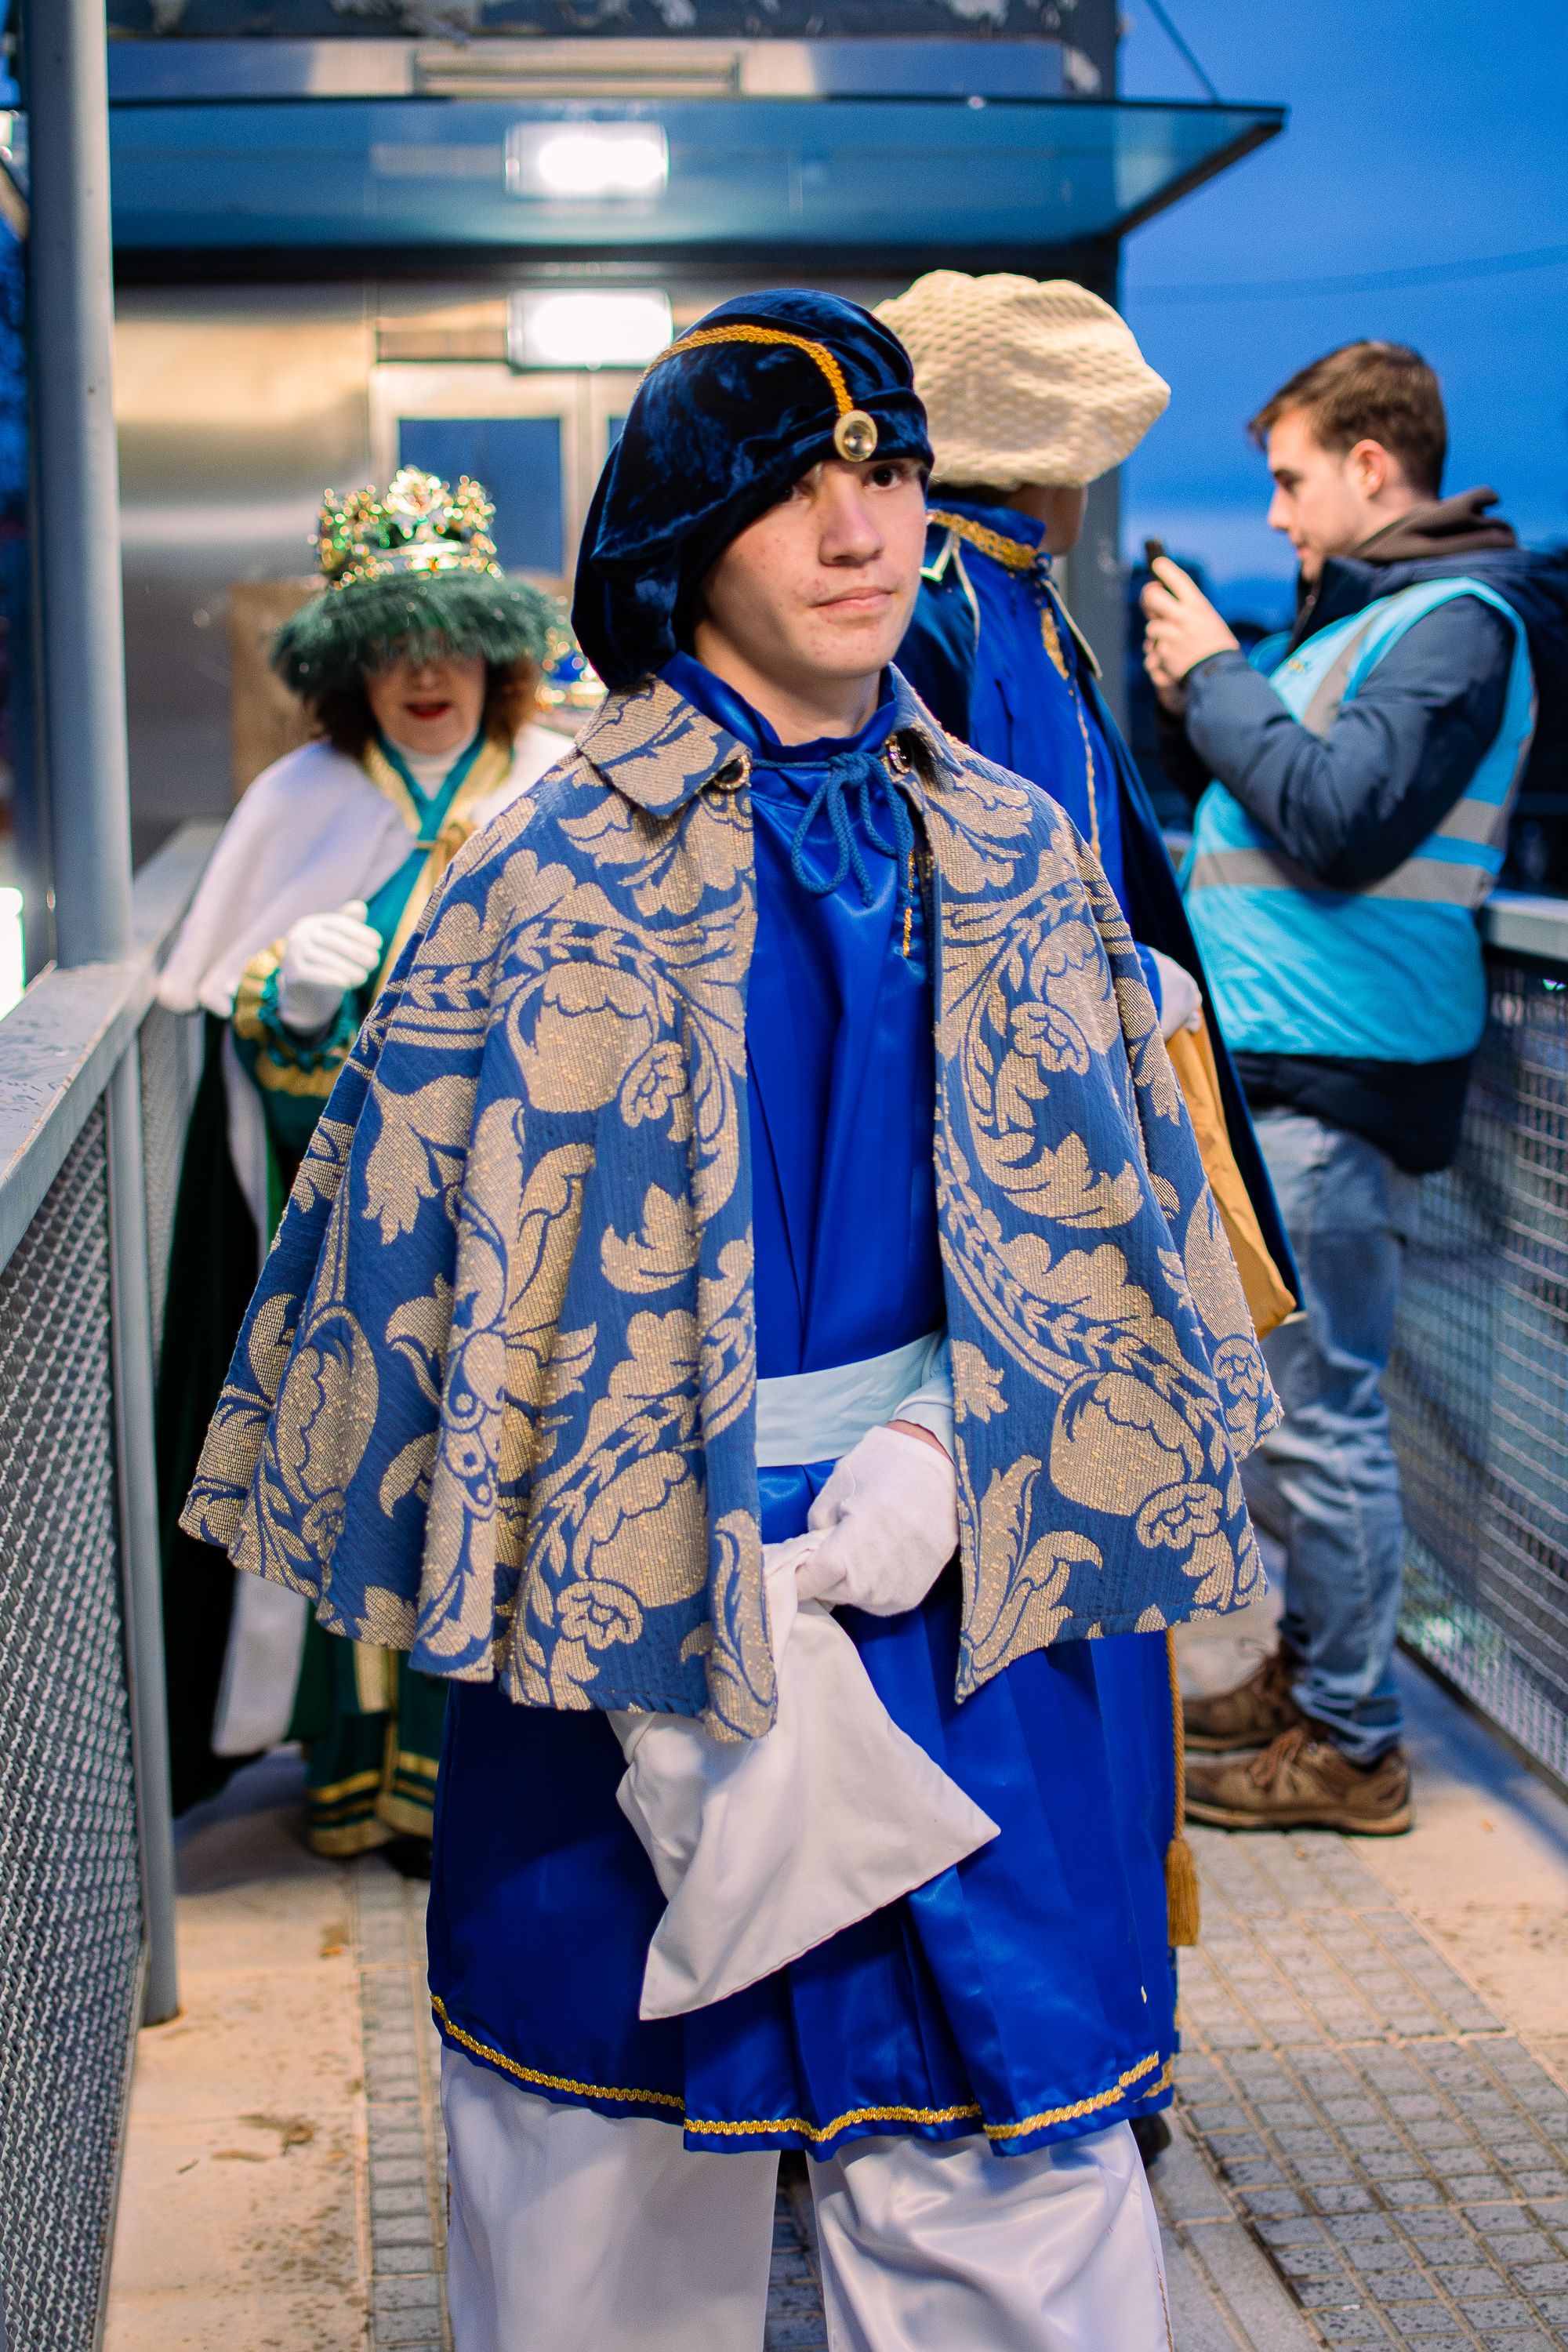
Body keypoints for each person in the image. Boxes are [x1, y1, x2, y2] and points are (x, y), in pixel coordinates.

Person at [183, 288, 1280, 2350]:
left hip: (973, 1618)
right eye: (796, 489)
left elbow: (1128, 1258)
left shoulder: (1025, 858)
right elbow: (432, 1301)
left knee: (1015, 2203)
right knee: (595, 2210)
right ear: (683, 541)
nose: (865, 531)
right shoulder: (534, 878)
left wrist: (963, 1445)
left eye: (889, 475)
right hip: (618, 1651)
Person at [880, 267, 1298, 2162]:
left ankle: (1054, 2027)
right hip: (1048, 1187)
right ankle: (1067, 2030)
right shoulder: (994, 611)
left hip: (1021, 1181)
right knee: (1064, 1622)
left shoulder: (958, 605)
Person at [1142, 339, 1568, 1833]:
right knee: (1286, 1418)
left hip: (1340, 1070)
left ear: (1373, 469)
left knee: (1319, 1423)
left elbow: (1337, 822)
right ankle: (1319, 1672)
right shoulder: (1367, 624)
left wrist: (1214, 681)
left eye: (1292, 477)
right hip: (1293, 1067)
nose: (1273, 516)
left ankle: (1354, 1742)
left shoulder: (1456, 624)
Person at [156, 466, 569, 1858]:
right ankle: (363, 1775)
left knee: (512, 1479)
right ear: (347, 672)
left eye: (450, 636)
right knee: (358, 1473)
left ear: (496, 647)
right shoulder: (301, 797)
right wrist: (287, 992)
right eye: (390, 648)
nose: (425, 672)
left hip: (529, 1208)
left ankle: (505, 1786)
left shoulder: (560, 786)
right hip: (364, 1231)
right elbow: (239, 1034)